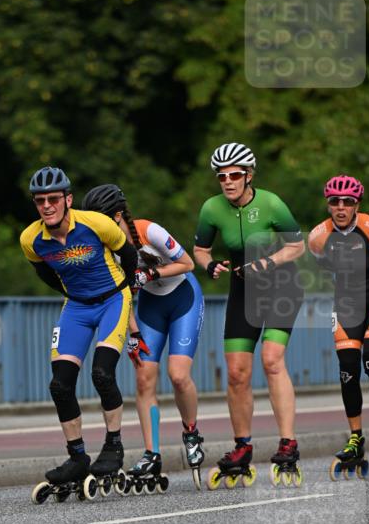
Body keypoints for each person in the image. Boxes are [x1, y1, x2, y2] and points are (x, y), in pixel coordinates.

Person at [193, 142, 305, 482]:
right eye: (221, 176)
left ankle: (288, 442)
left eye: (234, 175)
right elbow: (199, 249)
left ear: (249, 175)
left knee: (272, 360)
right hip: (243, 290)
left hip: (282, 286)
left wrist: (269, 261)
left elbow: (297, 245)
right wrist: (209, 265)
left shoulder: (271, 203)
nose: (227, 181)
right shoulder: (212, 209)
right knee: (237, 372)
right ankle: (242, 446)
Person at [19, 167, 138, 486]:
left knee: (102, 373)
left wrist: (126, 292)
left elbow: (129, 255)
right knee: (59, 385)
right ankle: (77, 456)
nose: (47, 206)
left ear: (67, 199)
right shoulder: (31, 239)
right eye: (40, 200)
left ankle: (114, 446)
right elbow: (44, 274)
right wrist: (73, 295)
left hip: (113, 300)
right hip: (77, 306)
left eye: (53, 199)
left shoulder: (96, 224)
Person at [82, 184, 205, 483]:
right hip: (150, 308)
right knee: (143, 377)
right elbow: (118, 296)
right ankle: (152, 454)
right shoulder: (106, 250)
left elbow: (187, 264)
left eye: (102, 222)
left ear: (118, 215)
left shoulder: (149, 231)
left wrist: (151, 273)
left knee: (178, 375)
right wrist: (133, 335)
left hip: (183, 299)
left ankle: (191, 433)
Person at [308, 174, 369, 476]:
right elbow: (322, 262)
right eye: (334, 201)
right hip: (347, 302)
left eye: (347, 201)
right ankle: (356, 438)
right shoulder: (318, 237)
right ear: (328, 205)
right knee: (348, 368)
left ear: (357, 204)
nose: (341, 206)